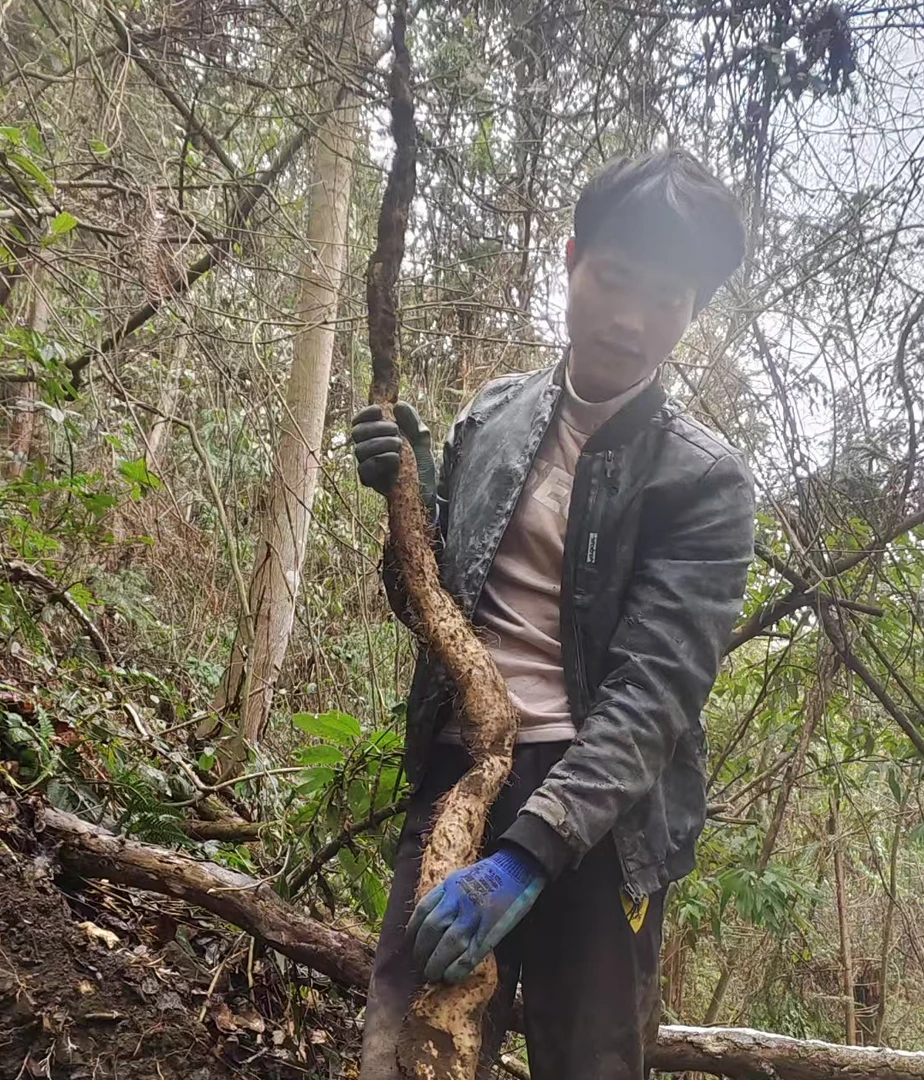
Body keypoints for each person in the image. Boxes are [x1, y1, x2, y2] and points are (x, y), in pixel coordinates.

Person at [351, 148, 755, 1080]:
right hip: (466, 779)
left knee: (590, 1063)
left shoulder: (703, 482)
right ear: (572, 258)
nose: (629, 319)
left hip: (603, 819)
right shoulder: (492, 418)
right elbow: (428, 614)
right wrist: (402, 493)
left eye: (667, 300)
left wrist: (531, 855)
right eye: (613, 279)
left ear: (694, 311)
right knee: (404, 1054)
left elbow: (654, 699)